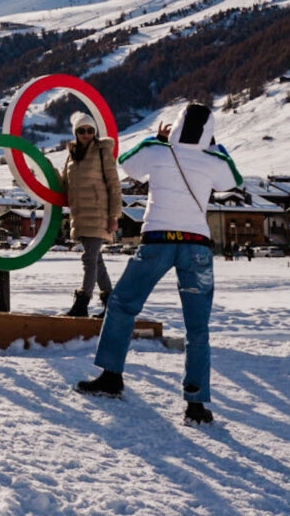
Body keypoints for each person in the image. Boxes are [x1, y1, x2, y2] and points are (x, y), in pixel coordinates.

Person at [75, 102, 242, 426]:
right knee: (197, 327)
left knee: (123, 305)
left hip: (158, 242)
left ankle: (111, 376)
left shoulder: (159, 151)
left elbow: (126, 164)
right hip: (196, 247)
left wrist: (158, 139)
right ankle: (195, 404)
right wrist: (214, 146)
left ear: (176, 126)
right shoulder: (213, 159)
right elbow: (231, 181)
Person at [60, 111, 123, 318]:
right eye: (82, 130)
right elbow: (64, 184)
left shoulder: (101, 150)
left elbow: (114, 183)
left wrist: (114, 215)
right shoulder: (72, 155)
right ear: (75, 133)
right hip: (80, 214)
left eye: (90, 130)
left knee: (89, 258)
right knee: (96, 261)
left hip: (98, 213)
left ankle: (82, 303)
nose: (87, 134)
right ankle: (110, 304)